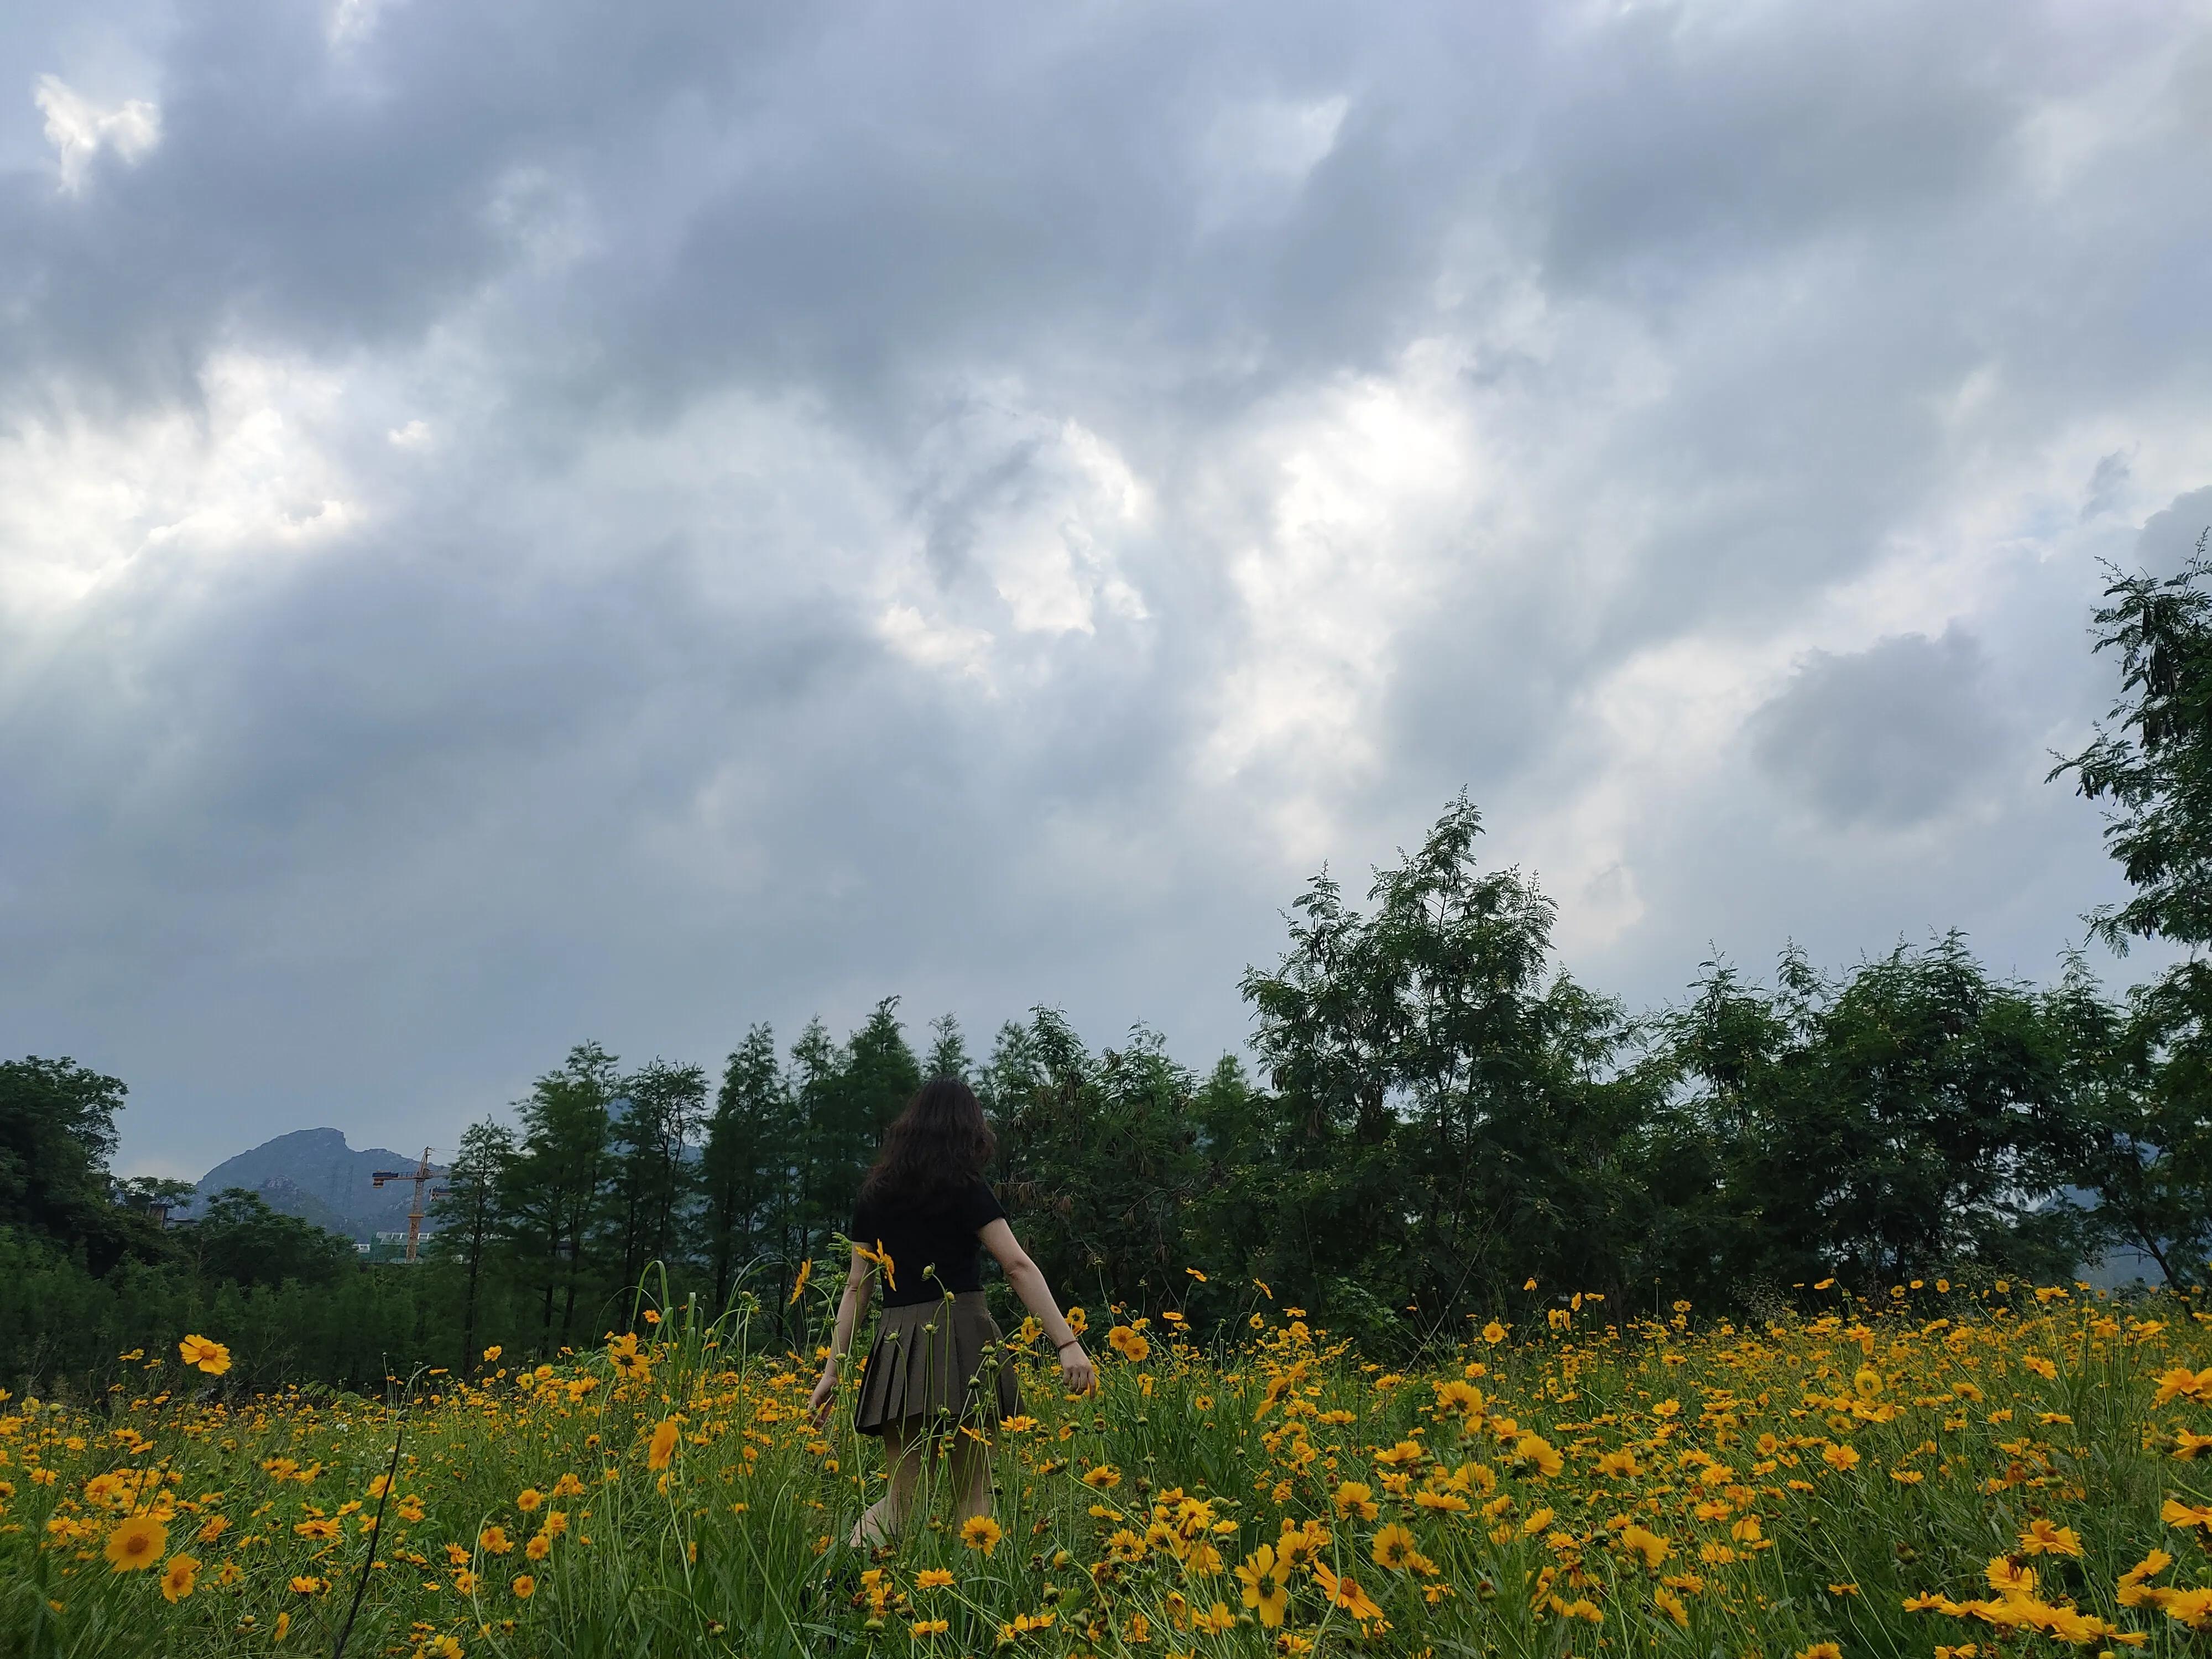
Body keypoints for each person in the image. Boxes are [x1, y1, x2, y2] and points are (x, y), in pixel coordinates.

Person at [808, 1077, 1095, 1546]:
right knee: (974, 1490)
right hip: (963, 1337)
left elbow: (858, 1286)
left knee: (902, 1496)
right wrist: (1067, 1342)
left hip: (899, 1345)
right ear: (968, 1129)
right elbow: (1017, 1265)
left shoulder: (875, 1195)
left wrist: (832, 1371)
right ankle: (977, 1607)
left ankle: (838, 1581)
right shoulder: (966, 1188)